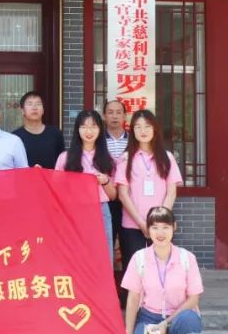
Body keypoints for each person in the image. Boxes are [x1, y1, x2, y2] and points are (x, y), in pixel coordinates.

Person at [122, 206, 204, 334]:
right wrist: (128, 333)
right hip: (150, 319)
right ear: (148, 230)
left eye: (165, 227)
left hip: (178, 318)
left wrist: (166, 322)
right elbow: (133, 298)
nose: (160, 233)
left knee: (190, 318)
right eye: (155, 227)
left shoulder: (187, 258)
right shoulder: (139, 258)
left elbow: (193, 299)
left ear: (174, 227)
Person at [113, 110, 182, 274]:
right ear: (132, 131)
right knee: (134, 271)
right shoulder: (125, 158)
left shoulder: (167, 157)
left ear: (155, 129)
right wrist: (141, 223)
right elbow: (123, 194)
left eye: (147, 126)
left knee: (160, 269)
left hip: (160, 226)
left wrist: (159, 221)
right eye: (138, 127)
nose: (143, 131)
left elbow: (171, 192)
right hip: (132, 225)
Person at [55, 110, 116, 254]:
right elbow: (56, 190)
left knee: (102, 253)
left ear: (100, 129)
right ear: (77, 130)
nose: (89, 131)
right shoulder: (65, 158)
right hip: (73, 211)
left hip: (100, 210)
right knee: (75, 254)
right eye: (84, 126)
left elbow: (113, 195)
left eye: (93, 126)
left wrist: (105, 181)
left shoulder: (107, 158)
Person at [104, 99, 129, 265]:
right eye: (110, 112)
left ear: (125, 116)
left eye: (118, 112)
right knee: (107, 240)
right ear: (104, 116)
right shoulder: (97, 140)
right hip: (106, 198)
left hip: (130, 199)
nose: (114, 116)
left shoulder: (134, 140)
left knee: (129, 242)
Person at [11, 91, 65, 168]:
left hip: (50, 176)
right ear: (22, 111)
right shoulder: (15, 137)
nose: (34, 108)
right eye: (30, 104)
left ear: (43, 110)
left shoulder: (55, 133)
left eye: (38, 104)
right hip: (24, 176)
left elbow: (62, 163)